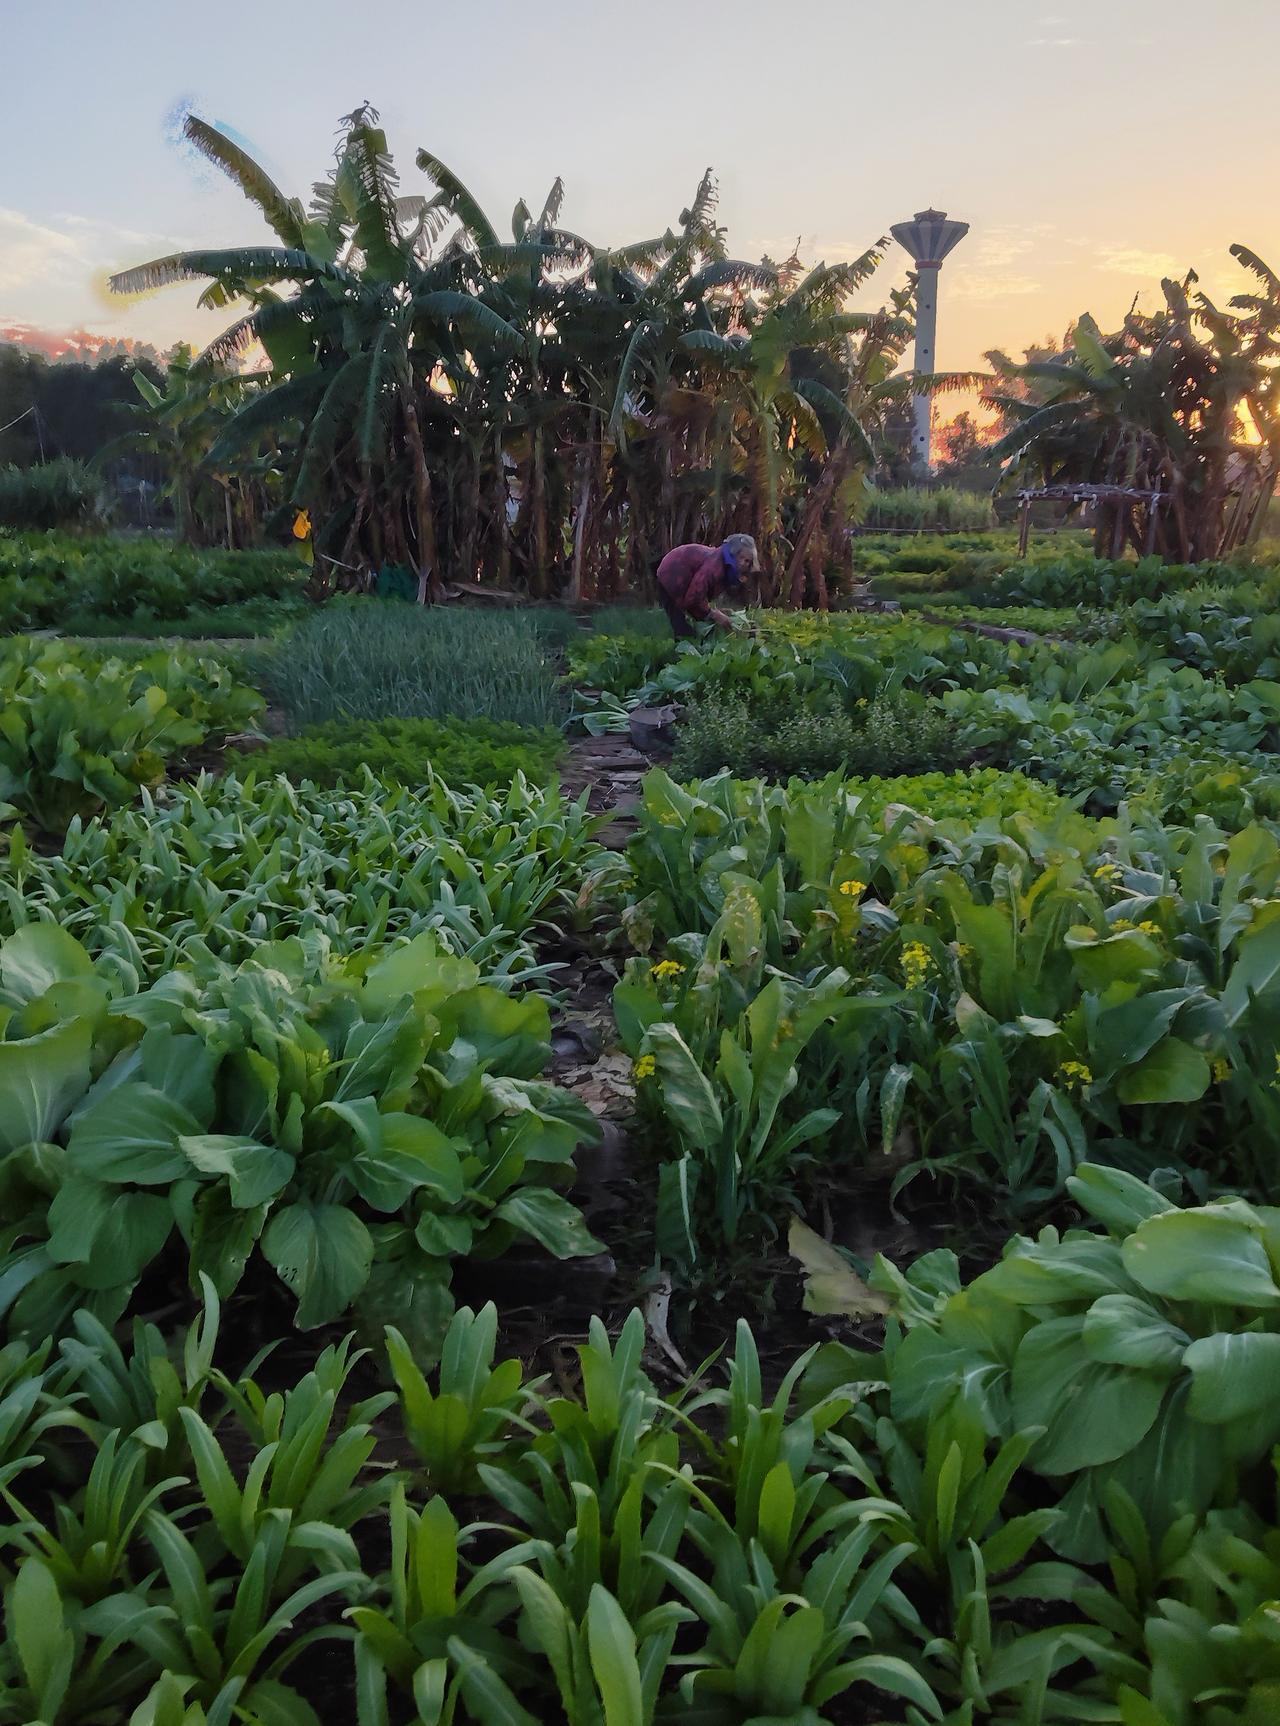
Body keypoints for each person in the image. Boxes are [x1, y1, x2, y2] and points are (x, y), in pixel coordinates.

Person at [655, 534, 760, 639]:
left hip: (682, 580)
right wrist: (713, 614)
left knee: (700, 622)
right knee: (682, 628)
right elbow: (694, 596)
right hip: (672, 575)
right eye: (741, 558)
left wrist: (716, 612)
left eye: (747, 561)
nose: (743, 563)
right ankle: (680, 649)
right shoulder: (714, 567)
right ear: (734, 554)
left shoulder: (722, 567)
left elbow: (701, 596)